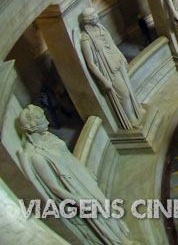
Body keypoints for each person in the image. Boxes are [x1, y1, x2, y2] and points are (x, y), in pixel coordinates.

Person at [17, 105, 136, 245]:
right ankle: (119, 241)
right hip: (74, 189)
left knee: (104, 205)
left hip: (81, 178)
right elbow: (54, 187)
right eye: (43, 121)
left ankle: (120, 234)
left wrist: (84, 171)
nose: (48, 123)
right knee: (99, 215)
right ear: (33, 127)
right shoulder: (37, 157)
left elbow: (68, 158)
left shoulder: (47, 136)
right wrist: (77, 201)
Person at [77, 6, 143, 130]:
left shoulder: (101, 29)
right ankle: (131, 119)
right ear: (88, 21)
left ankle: (136, 111)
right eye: (93, 17)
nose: (97, 18)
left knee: (128, 88)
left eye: (96, 15)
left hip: (117, 63)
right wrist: (103, 80)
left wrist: (122, 57)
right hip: (108, 71)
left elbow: (112, 45)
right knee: (123, 93)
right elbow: (91, 64)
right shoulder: (86, 39)